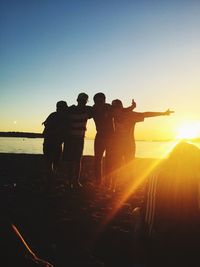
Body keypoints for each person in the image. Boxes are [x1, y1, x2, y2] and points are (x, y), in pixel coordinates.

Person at [132, 142, 200, 267]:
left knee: (136, 212)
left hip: (163, 235)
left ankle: (142, 252)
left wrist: (150, 231)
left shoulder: (157, 174)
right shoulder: (195, 176)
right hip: (192, 237)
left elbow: (150, 210)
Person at [92, 93, 135, 187]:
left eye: (100, 101)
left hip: (111, 138)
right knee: (97, 160)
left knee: (109, 160)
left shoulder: (108, 107)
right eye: (96, 101)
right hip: (99, 137)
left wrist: (132, 107)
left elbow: (121, 110)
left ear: (104, 100)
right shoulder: (93, 109)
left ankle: (107, 182)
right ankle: (98, 181)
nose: (98, 103)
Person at [63, 93, 93, 189]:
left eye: (84, 101)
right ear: (77, 100)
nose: (82, 102)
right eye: (81, 100)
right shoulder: (70, 109)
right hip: (69, 138)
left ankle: (75, 181)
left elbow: (98, 110)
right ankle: (69, 181)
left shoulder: (88, 110)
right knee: (69, 161)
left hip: (79, 139)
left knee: (77, 161)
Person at [42, 101, 68, 189]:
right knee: (53, 162)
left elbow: (45, 129)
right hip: (53, 143)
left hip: (51, 143)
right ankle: (51, 179)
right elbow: (46, 128)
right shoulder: (62, 117)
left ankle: (50, 179)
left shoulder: (54, 115)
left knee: (50, 162)